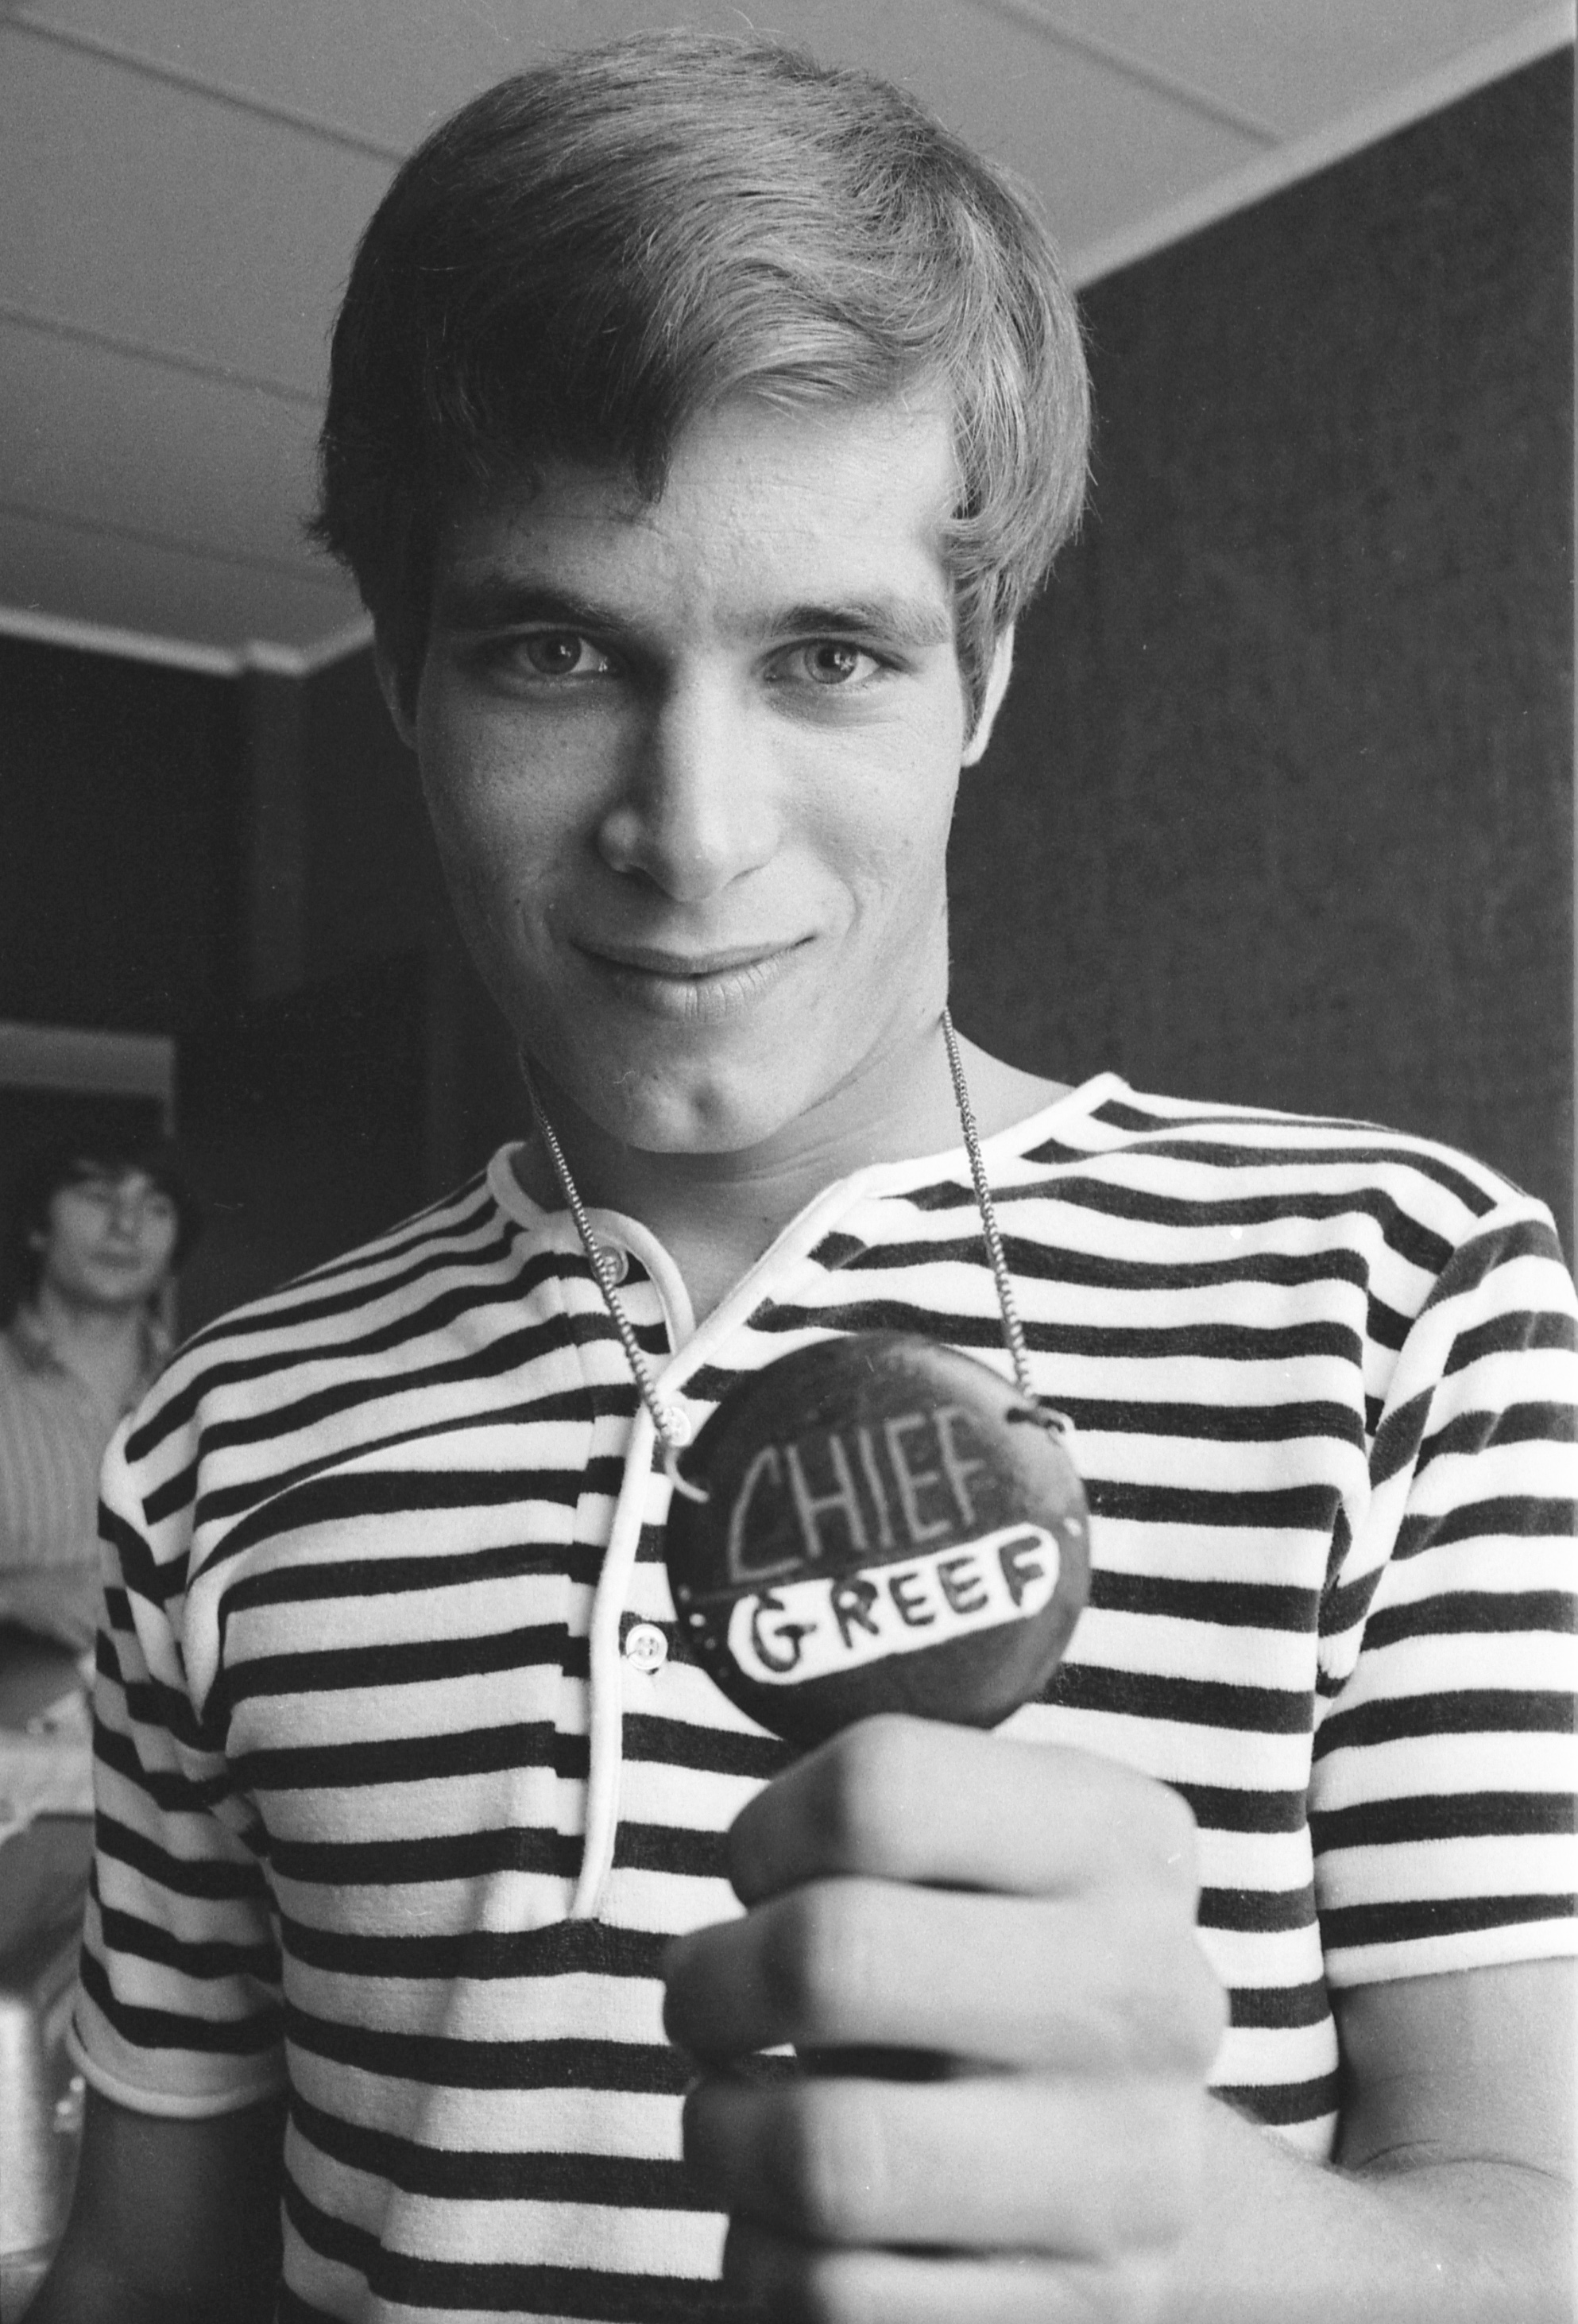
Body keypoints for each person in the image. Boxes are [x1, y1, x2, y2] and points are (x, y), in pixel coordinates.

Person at [32, 30, 1574, 2324]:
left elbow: (1534, 2217)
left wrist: (1204, 2243)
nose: (696, 830)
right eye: (557, 649)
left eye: (828, 652)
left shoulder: (1403, 1303)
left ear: (980, 675)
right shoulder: (220, 1434)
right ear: (405, 688)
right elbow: (158, 2283)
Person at [0, 1137, 196, 1653]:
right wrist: (11, 1596)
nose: (126, 1227)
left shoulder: (216, 1395)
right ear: (37, 1226)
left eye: (155, 1206)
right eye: (98, 1197)